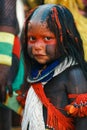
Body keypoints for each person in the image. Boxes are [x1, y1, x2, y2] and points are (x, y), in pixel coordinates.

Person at [20, 4, 87, 130]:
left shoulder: (74, 74)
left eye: (47, 38)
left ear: (66, 39)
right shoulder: (35, 73)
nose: (37, 46)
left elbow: (83, 121)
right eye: (32, 38)